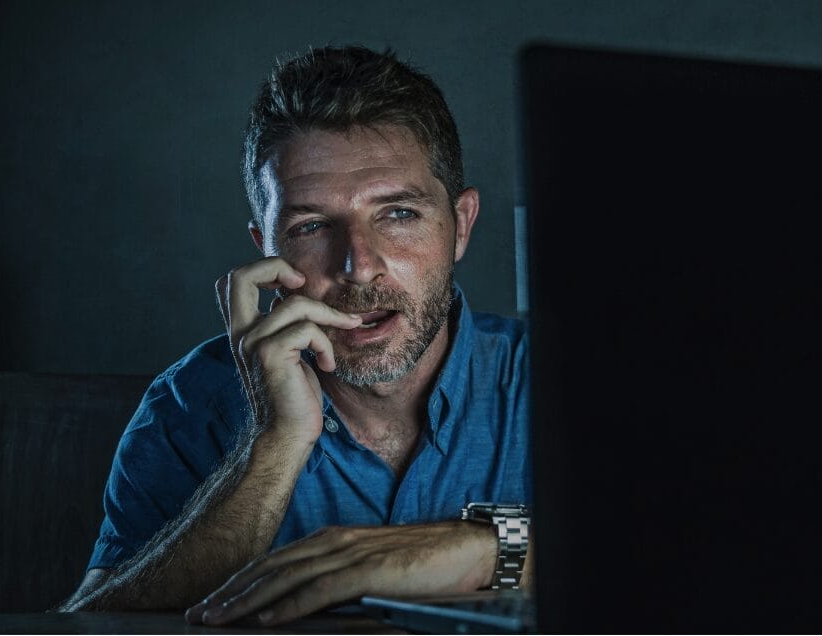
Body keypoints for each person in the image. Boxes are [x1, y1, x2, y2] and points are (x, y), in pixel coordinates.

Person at [56, 45, 532, 626]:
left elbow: (672, 546)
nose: (358, 265)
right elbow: (84, 625)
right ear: (267, 248)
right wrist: (274, 444)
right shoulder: (188, 404)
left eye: (398, 214)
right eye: (311, 226)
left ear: (460, 226)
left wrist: (485, 546)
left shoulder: (553, 378)